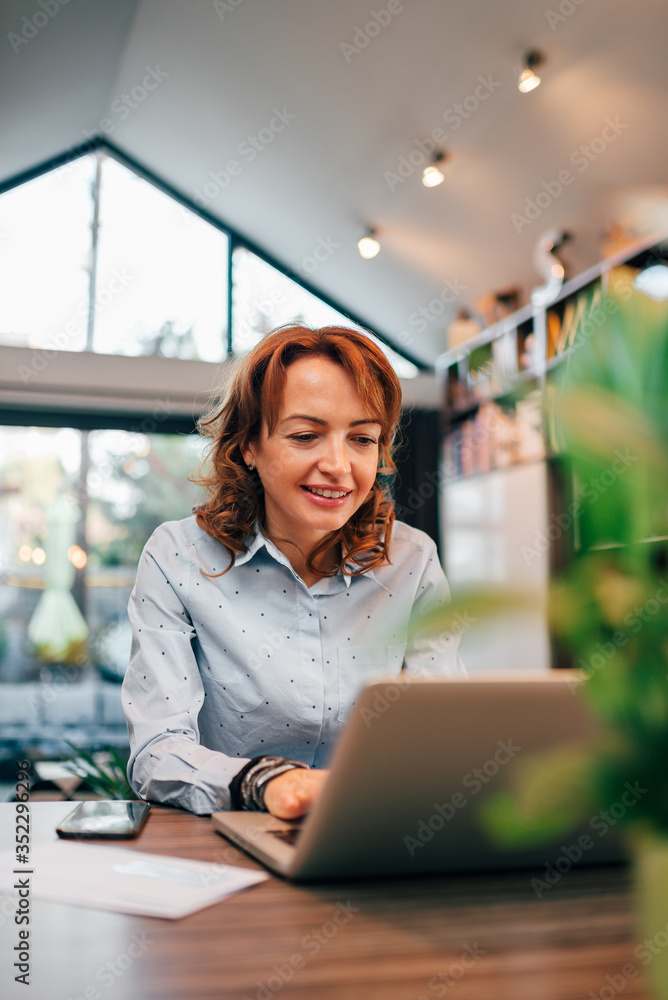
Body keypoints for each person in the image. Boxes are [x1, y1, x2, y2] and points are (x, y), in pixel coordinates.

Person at [122, 325, 465, 820]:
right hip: (234, 837)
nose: (339, 466)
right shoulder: (177, 557)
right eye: (306, 436)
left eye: (362, 439)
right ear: (247, 447)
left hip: (378, 834)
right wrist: (266, 783)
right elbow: (157, 751)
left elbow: (445, 736)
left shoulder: (414, 561)